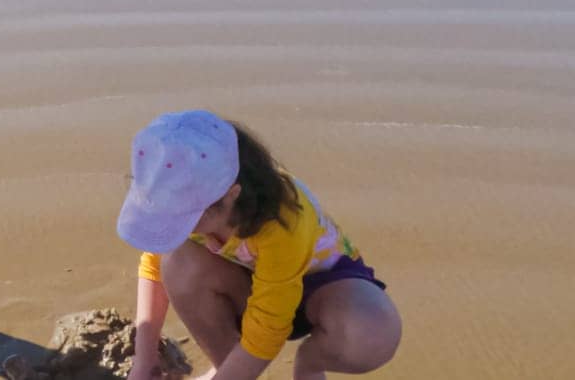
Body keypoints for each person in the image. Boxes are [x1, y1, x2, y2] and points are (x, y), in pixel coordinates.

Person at [117, 111, 401, 380]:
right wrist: (145, 360)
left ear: (231, 195)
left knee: (371, 333)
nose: (175, 226)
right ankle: (226, 365)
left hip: (321, 285)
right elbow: (155, 265)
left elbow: (268, 328)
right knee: (177, 262)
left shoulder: (282, 221)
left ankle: (309, 364)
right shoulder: (181, 194)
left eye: (185, 218)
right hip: (244, 282)